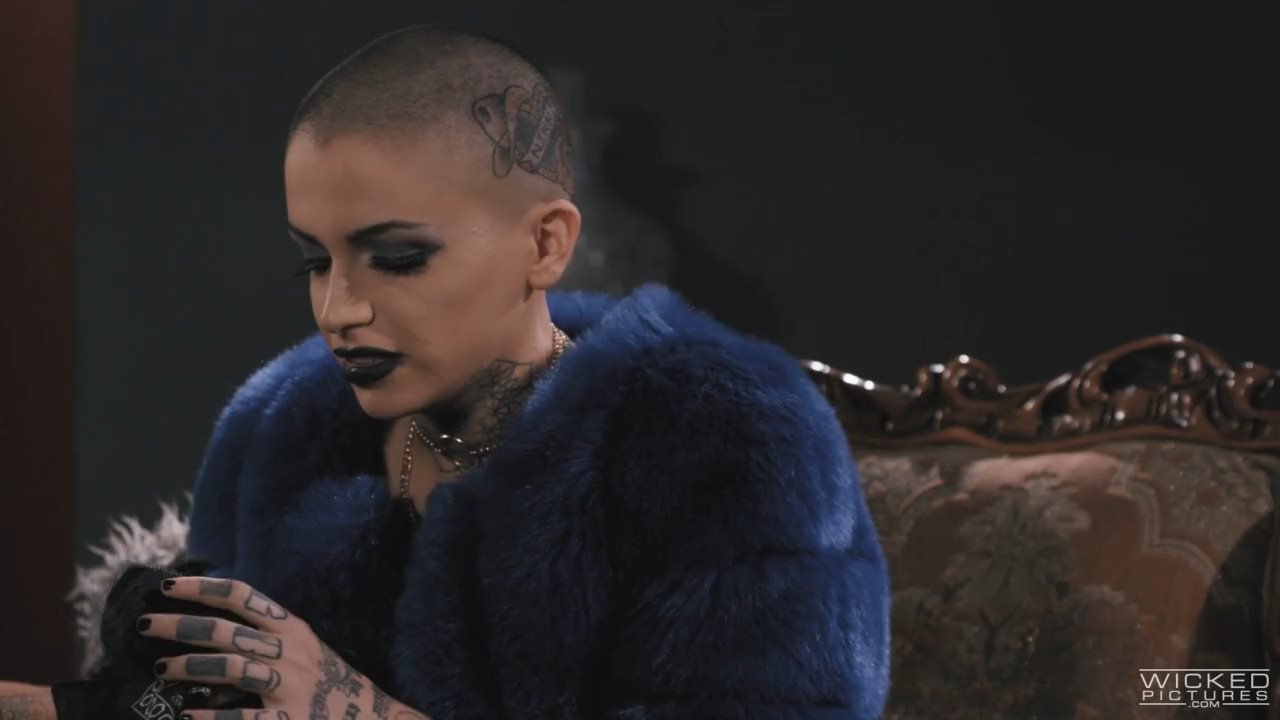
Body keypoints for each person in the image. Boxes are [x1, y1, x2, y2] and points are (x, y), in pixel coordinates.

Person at [3, 24, 890, 720]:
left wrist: (359, 711)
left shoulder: (724, 440)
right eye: (314, 260)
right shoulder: (280, 425)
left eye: (397, 258)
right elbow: (194, 698)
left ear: (546, 243)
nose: (337, 309)